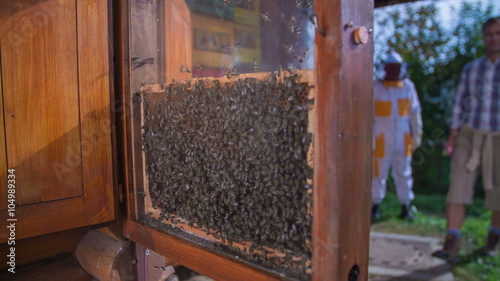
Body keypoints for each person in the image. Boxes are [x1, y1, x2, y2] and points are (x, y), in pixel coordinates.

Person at [432, 16, 500, 262]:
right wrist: (453, 135)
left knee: (498, 195)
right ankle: (451, 244)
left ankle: (492, 241)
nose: (494, 38)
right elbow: (459, 104)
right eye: (489, 33)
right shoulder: (471, 69)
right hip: (469, 136)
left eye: (498, 33)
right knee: (457, 189)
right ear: (484, 38)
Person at [371, 50, 423, 221]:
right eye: (390, 67)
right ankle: (375, 206)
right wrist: (370, 138)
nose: (393, 71)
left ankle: (406, 206)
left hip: (403, 138)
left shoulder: (408, 87)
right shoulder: (376, 87)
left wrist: (417, 133)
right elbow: (368, 114)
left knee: (404, 172)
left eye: (396, 67)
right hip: (381, 138)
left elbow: (414, 112)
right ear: (384, 68)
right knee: (377, 173)